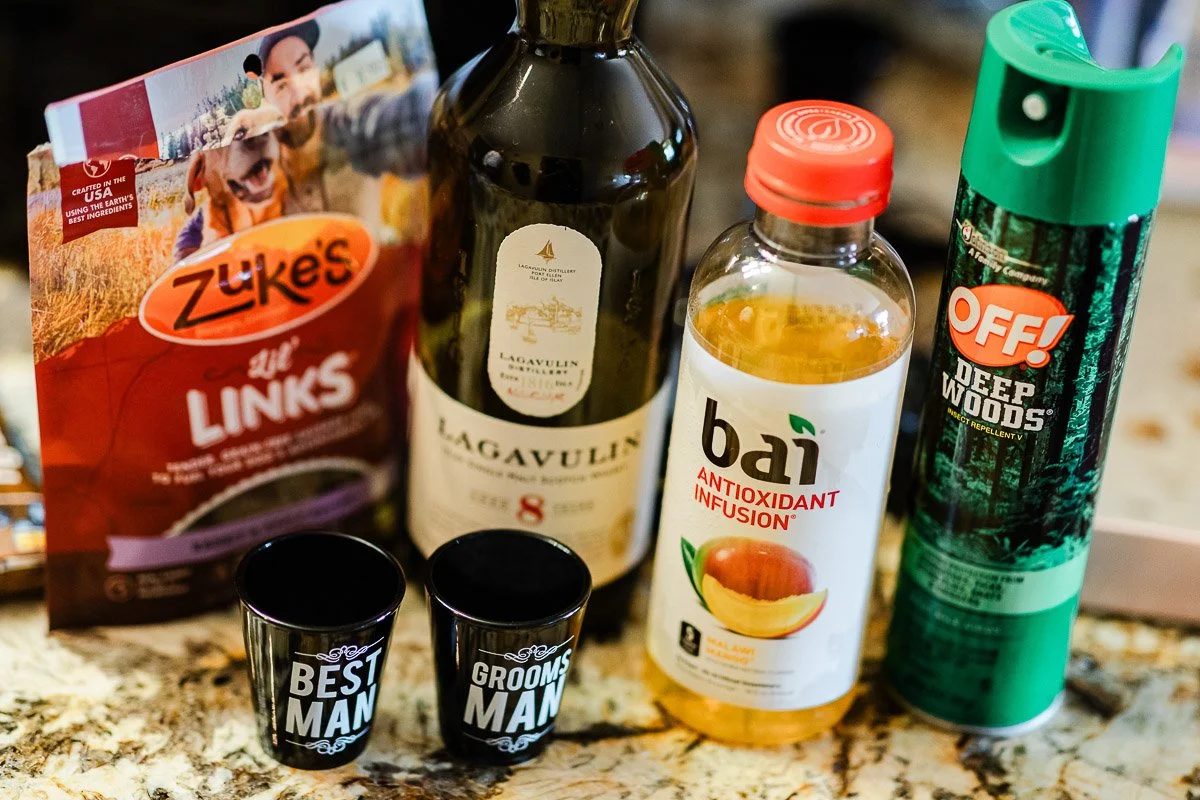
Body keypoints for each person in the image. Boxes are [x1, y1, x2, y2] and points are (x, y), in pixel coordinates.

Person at [257, 20, 436, 220]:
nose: (299, 95)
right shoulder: (260, 153)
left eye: (304, 69)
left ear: (316, 71)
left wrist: (442, 111)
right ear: (267, 97)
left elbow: (409, 120)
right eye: (281, 85)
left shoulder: (343, 123)